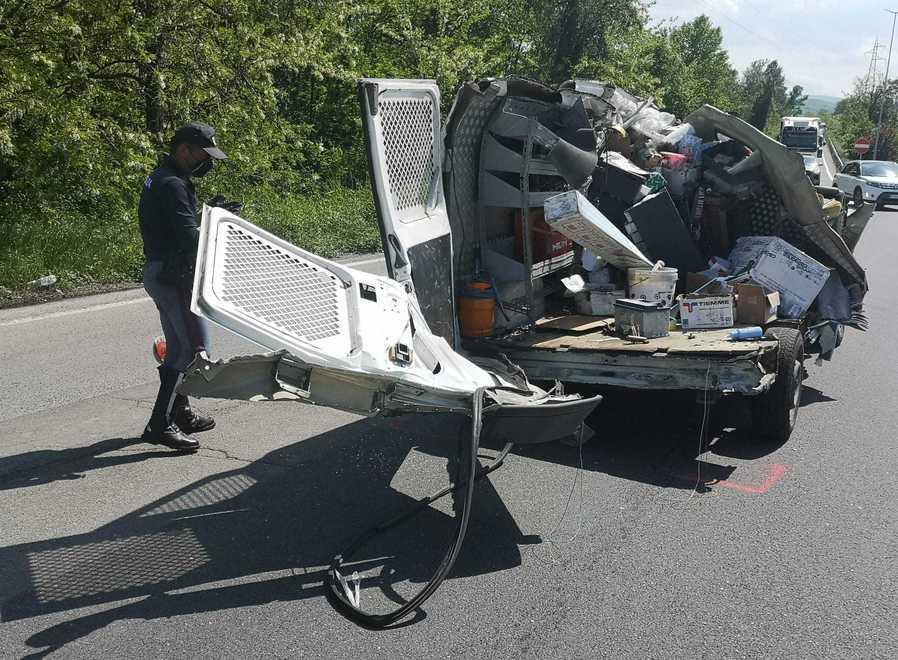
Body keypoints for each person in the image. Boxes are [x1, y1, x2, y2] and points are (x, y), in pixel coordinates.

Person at [138, 122, 228, 452]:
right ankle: (159, 425)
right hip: (173, 276)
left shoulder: (162, 177)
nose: (207, 162)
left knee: (180, 348)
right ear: (184, 149)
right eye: (203, 155)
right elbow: (189, 239)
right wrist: (219, 224)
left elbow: (175, 227)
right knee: (191, 349)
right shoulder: (173, 184)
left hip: (161, 273)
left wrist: (213, 213)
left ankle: (181, 411)